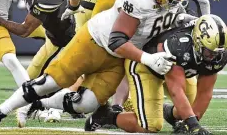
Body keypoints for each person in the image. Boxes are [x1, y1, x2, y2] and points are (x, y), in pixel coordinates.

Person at [0, 0, 187, 133]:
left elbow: (166, 18)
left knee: (86, 105)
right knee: (48, 83)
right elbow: (117, 40)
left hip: (117, 58)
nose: (174, 3)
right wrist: (148, 59)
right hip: (95, 41)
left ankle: (40, 105)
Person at [85, 14, 226, 135]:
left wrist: (190, 122)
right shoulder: (179, 46)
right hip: (146, 66)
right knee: (150, 126)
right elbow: (176, 90)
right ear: (197, 41)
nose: (213, 56)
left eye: (217, 52)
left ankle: (171, 115)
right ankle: (107, 116)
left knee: (190, 109)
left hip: (180, 70)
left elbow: (205, 93)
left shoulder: (218, 53)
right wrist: (193, 125)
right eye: (209, 51)